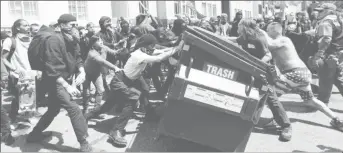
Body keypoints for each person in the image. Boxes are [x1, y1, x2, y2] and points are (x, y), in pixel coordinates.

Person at [84, 34, 183, 147]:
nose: (153, 48)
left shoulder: (143, 51)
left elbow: (160, 51)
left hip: (127, 80)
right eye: (151, 46)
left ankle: (86, 116)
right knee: (131, 102)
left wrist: (174, 48)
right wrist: (178, 48)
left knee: (108, 105)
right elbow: (159, 57)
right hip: (120, 82)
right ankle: (116, 131)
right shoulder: (139, 56)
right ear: (145, 46)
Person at [26, 14, 93, 152]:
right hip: (55, 80)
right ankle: (84, 143)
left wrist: (82, 71)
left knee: (53, 109)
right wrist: (68, 86)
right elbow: (52, 69)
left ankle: (34, 135)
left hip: (63, 78)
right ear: (62, 25)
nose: (75, 28)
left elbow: (78, 57)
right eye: (71, 25)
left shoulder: (72, 39)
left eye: (75, 24)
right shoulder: (54, 40)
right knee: (73, 108)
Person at [265, 22, 343, 132]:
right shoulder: (281, 40)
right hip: (302, 74)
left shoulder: (283, 40)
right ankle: (336, 119)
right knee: (311, 101)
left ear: (274, 31)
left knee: (271, 95)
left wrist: (258, 32)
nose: (267, 32)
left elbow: (268, 44)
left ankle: (279, 121)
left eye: (268, 30)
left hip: (295, 73)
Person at [227, 19, 292, 141]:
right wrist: (221, 38)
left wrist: (257, 65)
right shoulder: (245, 36)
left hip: (263, 73)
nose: (238, 28)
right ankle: (249, 120)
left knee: (271, 98)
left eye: (240, 26)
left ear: (245, 27)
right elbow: (236, 40)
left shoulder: (258, 38)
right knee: (250, 94)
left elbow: (268, 55)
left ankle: (286, 126)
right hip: (252, 71)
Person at [309, 3, 343, 106]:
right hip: (339, 53)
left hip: (329, 54)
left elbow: (326, 39)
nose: (318, 13)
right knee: (337, 78)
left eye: (321, 11)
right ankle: (322, 101)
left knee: (325, 78)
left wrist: (319, 54)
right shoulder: (339, 19)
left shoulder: (326, 22)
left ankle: (323, 103)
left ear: (328, 10)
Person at [1, 19, 33, 124]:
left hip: (29, 73)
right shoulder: (10, 41)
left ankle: (26, 117)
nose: (28, 27)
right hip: (17, 74)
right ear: (18, 27)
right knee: (17, 97)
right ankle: (13, 119)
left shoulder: (30, 39)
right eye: (25, 25)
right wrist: (15, 69)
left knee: (28, 96)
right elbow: (4, 59)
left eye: (28, 25)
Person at [82, 35, 124, 114]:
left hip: (97, 73)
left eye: (101, 40)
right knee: (86, 93)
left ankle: (95, 111)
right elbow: (103, 62)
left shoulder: (103, 47)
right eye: (98, 41)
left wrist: (121, 50)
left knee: (100, 90)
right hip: (86, 73)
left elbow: (113, 52)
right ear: (93, 44)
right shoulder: (92, 53)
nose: (101, 42)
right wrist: (115, 67)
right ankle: (85, 109)